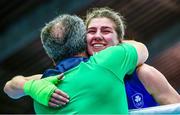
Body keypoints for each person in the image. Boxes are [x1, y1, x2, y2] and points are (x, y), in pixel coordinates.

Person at [4, 7, 180, 110]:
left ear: (120, 40)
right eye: (91, 31)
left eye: (106, 31)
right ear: (81, 41)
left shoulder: (144, 74)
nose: (97, 36)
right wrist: (30, 87)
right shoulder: (65, 77)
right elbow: (11, 87)